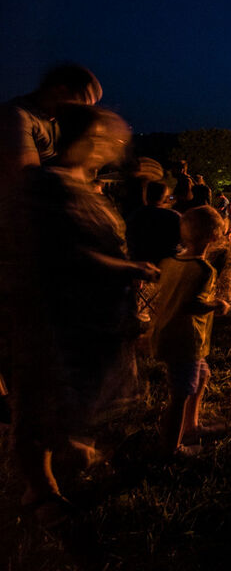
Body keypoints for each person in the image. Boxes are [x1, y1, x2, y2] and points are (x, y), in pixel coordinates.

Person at [7, 104, 157, 523]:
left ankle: (72, 451)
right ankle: (40, 491)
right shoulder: (47, 185)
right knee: (44, 397)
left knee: (75, 396)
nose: (115, 147)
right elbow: (64, 252)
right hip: (56, 315)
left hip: (92, 315)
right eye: (110, 137)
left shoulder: (84, 186)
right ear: (88, 139)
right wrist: (130, 268)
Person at [149, 206, 231, 456]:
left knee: (202, 375)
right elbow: (190, 305)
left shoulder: (169, 262)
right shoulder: (204, 270)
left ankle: (191, 427)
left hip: (169, 333)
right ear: (214, 236)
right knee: (180, 394)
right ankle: (172, 448)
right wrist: (216, 305)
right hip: (184, 340)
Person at [0, 63, 103, 191]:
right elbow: (27, 179)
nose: (81, 112)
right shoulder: (15, 116)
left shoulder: (55, 121)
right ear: (60, 91)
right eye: (81, 104)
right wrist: (77, 179)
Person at [126, 180, 182, 264]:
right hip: (166, 262)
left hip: (140, 262)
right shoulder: (174, 216)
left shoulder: (134, 215)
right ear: (165, 197)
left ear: (146, 196)